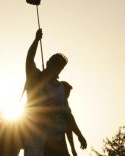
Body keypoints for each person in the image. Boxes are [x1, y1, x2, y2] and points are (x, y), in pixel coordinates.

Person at [23, 28, 86, 156]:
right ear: (48, 63)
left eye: (60, 67)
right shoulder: (35, 78)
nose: (56, 69)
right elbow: (29, 59)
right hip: (37, 140)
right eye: (54, 65)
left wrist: (79, 134)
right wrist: (36, 40)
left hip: (58, 141)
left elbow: (68, 115)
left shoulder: (61, 88)